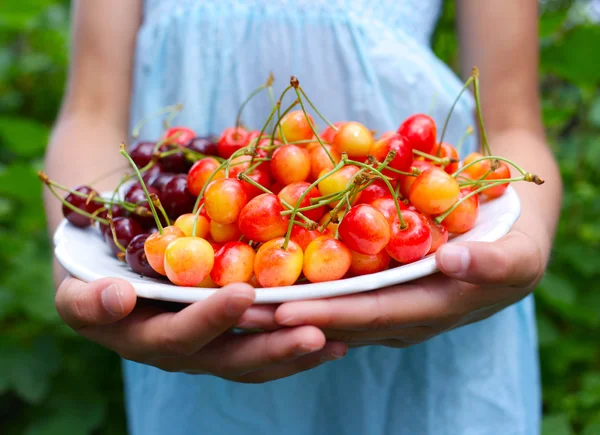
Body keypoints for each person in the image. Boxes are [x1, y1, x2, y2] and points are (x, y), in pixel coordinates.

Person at [43, 1, 561, 434]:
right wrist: (80, 263)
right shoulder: (214, 224)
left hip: (436, 297)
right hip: (194, 323)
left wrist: (526, 238)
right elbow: (91, 111)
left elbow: (512, 120)